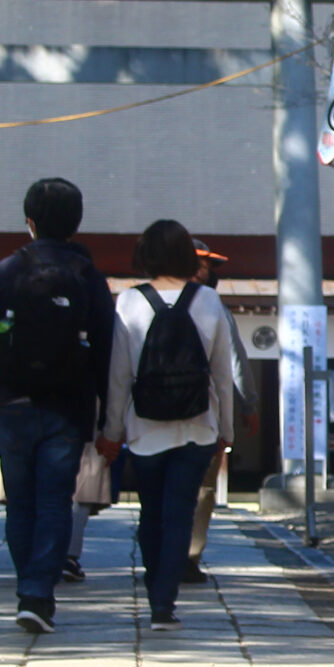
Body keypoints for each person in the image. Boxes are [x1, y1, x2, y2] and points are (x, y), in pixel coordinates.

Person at [0, 178, 113, 635]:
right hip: (69, 404)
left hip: (13, 400)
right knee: (55, 500)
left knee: (20, 501)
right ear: (77, 223)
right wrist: (109, 411)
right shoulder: (89, 276)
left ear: (28, 221)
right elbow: (108, 345)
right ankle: (37, 594)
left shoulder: (6, 272)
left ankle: (28, 581)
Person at [97, 218, 235, 630]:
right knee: (180, 513)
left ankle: (154, 581)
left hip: (144, 428)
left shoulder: (128, 303)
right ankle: (164, 603)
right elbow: (223, 376)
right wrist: (226, 430)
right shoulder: (209, 303)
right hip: (197, 427)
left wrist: (111, 431)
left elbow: (119, 376)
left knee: (151, 512)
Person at [182, 240, 244, 586]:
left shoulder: (139, 300)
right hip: (203, 413)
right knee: (202, 489)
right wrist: (239, 413)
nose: (210, 273)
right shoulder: (214, 307)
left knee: (161, 487)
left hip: (150, 416)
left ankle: (161, 555)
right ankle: (188, 556)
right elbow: (231, 368)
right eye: (205, 266)